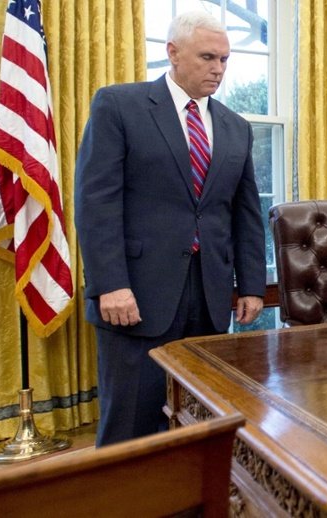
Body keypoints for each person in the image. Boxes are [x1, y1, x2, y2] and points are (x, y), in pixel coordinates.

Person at [75, 11, 266, 446]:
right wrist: (110, 284)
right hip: (136, 296)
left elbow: (245, 211)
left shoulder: (236, 128)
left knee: (202, 419)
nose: (218, 68)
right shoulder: (119, 105)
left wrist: (252, 285)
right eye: (207, 57)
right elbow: (96, 202)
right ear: (173, 54)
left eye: (224, 59)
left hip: (211, 297)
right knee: (132, 424)